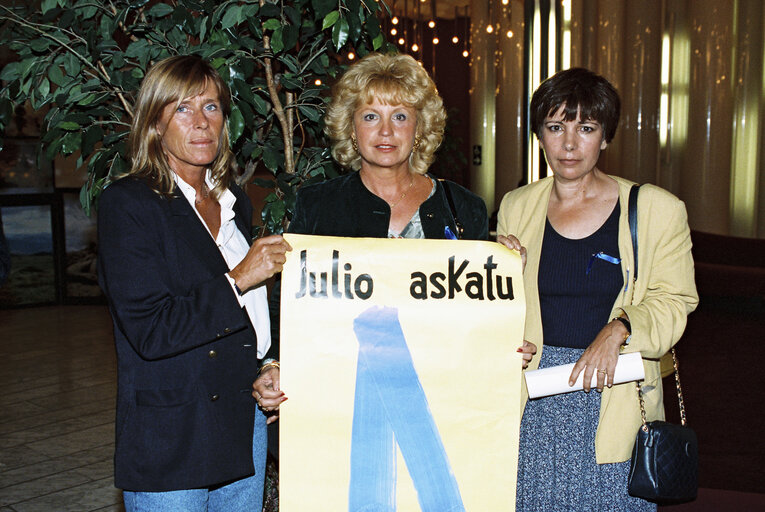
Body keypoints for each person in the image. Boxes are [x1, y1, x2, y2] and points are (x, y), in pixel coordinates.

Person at [497, 67, 698, 510]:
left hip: (613, 395)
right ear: (540, 135)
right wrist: (499, 271)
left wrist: (620, 327)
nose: (569, 144)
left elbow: (674, 301)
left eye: (585, 128)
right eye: (555, 127)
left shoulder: (657, 210)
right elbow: (502, 304)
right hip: (533, 399)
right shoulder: (517, 206)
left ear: (605, 137)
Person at [97, 55, 290, 511]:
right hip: (173, 436)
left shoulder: (232, 202)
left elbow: (245, 321)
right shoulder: (129, 204)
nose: (201, 123)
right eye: (182, 108)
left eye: (212, 107)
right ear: (154, 122)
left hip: (243, 426)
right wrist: (240, 277)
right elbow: (151, 329)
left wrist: (266, 364)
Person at [278, 52, 534, 367]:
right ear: (351, 128)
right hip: (343, 385)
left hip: (442, 385)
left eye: (400, 116)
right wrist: (276, 365)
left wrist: (504, 319)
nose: (386, 131)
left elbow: (477, 318)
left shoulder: (464, 208)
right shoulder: (317, 204)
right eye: (371, 116)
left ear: (419, 128)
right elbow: (297, 312)